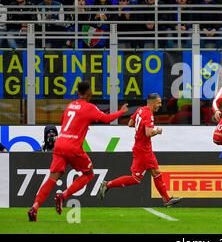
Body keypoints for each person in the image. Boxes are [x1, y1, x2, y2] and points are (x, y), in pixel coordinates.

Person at [27, 81, 128, 221]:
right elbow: (106, 118)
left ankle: (34, 208)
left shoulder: (70, 106)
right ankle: (63, 196)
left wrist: (81, 126)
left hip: (60, 144)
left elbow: (64, 122)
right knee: (89, 173)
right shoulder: (89, 107)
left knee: (52, 178)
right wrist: (121, 111)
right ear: (88, 93)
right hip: (73, 146)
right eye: (91, 89)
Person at [98, 93, 182, 207]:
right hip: (144, 150)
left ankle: (166, 200)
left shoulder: (140, 110)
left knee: (150, 174)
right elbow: (148, 133)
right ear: (152, 103)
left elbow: (130, 123)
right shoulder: (148, 115)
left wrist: (140, 128)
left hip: (141, 148)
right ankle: (107, 184)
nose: (160, 105)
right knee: (143, 176)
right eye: (159, 103)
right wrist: (157, 131)